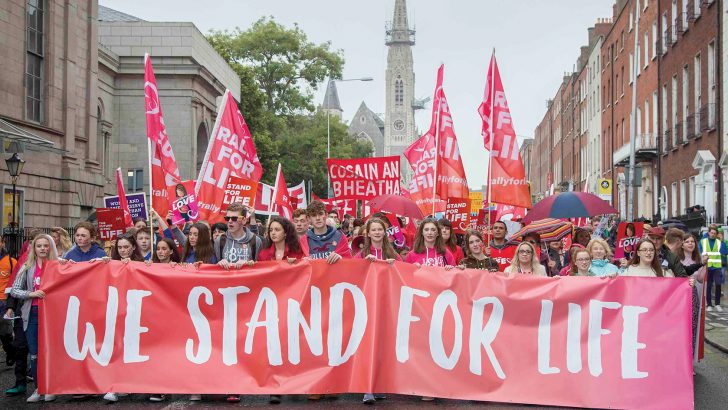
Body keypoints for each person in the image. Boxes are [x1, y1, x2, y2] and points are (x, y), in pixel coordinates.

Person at [10, 234, 58, 402]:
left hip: (53, 315)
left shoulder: (59, 265)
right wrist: (31, 293)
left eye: (46, 245)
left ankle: (51, 387)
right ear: (34, 248)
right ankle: (39, 388)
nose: (43, 248)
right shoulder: (27, 266)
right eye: (39, 246)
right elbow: (14, 290)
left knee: (52, 352)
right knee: (35, 353)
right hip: (32, 314)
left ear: (50, 247)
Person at [678, 232, 706, 362]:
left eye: (693, 241)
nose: (691, 243)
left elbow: (700, 279)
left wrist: (705, 264)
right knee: (680, 329)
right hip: (679, 299)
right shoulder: (677, 259)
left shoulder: (698, 259)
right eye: (687, 241)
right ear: (682, 244)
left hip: (693, 297)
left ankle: (689, 361)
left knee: (692, 329)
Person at [215, 203, 261, 271]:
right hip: (226, 280)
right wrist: (219, 263)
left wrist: (248, 264)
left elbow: (261, 268)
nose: (230, 221)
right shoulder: (219, 240)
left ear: (244, 220)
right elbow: (214, 269)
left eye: (234, 218)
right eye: (227, 218)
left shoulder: (255, 240)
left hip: (247, 280)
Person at [699, 224, 728, 312]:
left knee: (718, 285)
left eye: (715, 233)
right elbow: (699, 251)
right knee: (708, 285)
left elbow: (725, 252)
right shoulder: (703, 241)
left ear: (717, 234)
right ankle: (709, 304)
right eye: (711, 233)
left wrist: (722, 241)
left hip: (717, 267)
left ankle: (717, 304)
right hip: (707, 267)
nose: (713, 234)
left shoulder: (719, 242)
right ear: (708, 233)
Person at [0, 236, 17, 369]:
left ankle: (10, 351)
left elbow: (15, 284)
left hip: (3, 301)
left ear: (2, 243)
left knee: (5, 333)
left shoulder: (11, 262)